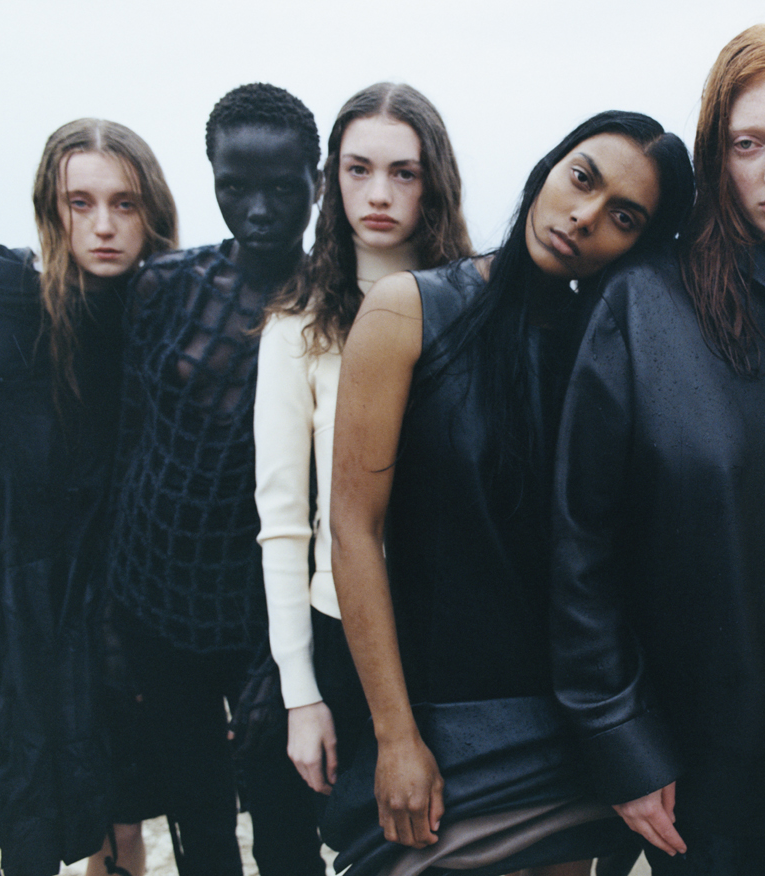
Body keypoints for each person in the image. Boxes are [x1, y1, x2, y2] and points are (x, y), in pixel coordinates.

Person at [327, 110, 694, 876]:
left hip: (575, 742)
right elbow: (354, 532)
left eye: (622, 217)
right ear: (553, 164)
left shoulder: (617, 357)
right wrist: (395, 737)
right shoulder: (407, 310)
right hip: (442, 732)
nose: (583, 217)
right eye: (582, 178)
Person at [551, 22, 765, 876]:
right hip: (692, 775)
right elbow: (580, 545)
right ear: (715, 154)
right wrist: (624, 745)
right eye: (748, 144)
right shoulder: (641, 305)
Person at [0, 119, 177, 876]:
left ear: (154, 211)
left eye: (124, 202)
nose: (105, 225)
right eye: (79, 203)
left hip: (75, 647)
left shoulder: (162, 334)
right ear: (50, 212)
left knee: (96, 838)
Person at [104, 83, 324, 876]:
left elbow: (332, 506)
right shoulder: (166, 287)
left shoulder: (337, 309)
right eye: (236, 187)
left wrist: (287, 663)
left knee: (289, 829)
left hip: (268, 626)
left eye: (281, 187)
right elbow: (130, 451)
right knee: (199, 828)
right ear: (212, 178)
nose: (258, 208)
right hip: (153, 607)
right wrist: (114, 622)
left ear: (317, 182)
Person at [254, 81, 472, 796]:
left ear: (432, 181)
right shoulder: (296, 328)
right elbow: (284, 523)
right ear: (332, 180)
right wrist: (300, 694)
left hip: (465, 626)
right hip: (345, 634)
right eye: (358, 169)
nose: (379, 192)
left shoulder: (476, 310)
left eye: (402, 172)